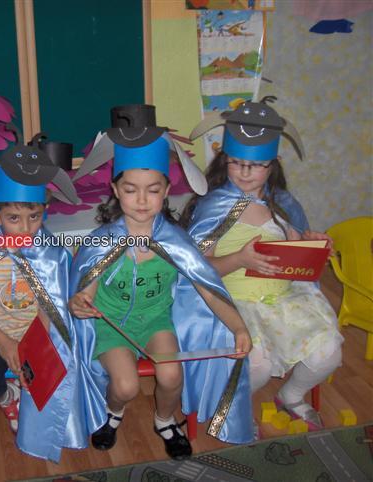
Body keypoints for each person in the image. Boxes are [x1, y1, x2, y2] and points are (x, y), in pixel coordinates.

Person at [69, 104, 254, 460]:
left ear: (167, 190)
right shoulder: (101, 242)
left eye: (152, 190)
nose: (141, 200)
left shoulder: (176, 242)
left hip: (156, 321)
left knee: (171, 377)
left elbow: (209, 289)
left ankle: (165, 420)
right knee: (125, 386)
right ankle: (113, 413)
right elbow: (85, 291)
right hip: (110, 325)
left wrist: (239, 327)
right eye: (131, 189)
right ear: (115, 189)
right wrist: (80, 303)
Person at [184, 99, 343, 432]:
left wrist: (313, 245)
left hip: (283, 299)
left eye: (255, 165)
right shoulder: (214, 206)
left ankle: (291, 395)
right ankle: (233, 406)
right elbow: (197, 271)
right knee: (256, 363)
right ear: (224, 160)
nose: (245, 173)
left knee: (328, 353)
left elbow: (296, 251)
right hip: (231, 302)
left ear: (273, 165)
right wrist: (239, 259)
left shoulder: (281, 203)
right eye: (237, 163)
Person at [0, 134, 103, 463]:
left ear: (44, 212)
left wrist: (30, 347)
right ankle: (8, 397)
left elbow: (53, 306)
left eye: (34, 217)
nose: (25, 228)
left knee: (56, 382)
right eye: (13, 219)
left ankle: (32, 403)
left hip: (37, 333)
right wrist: (6, 343)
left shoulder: (52, 254)